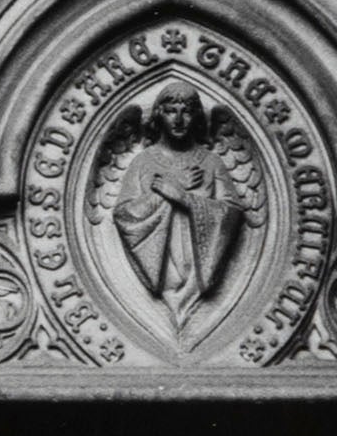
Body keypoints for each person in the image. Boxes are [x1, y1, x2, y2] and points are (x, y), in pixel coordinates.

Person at [106, 82, 261, 323]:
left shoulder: (211, 162)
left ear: (197, 117)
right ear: (159, 115)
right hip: (164, 270)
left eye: (187, 111)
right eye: (170, 111)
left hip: (196, 271)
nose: (178, 119)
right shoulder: (143, 162)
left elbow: (232, 213)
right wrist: (166, 193)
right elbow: (124, 215)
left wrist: (185, 199)